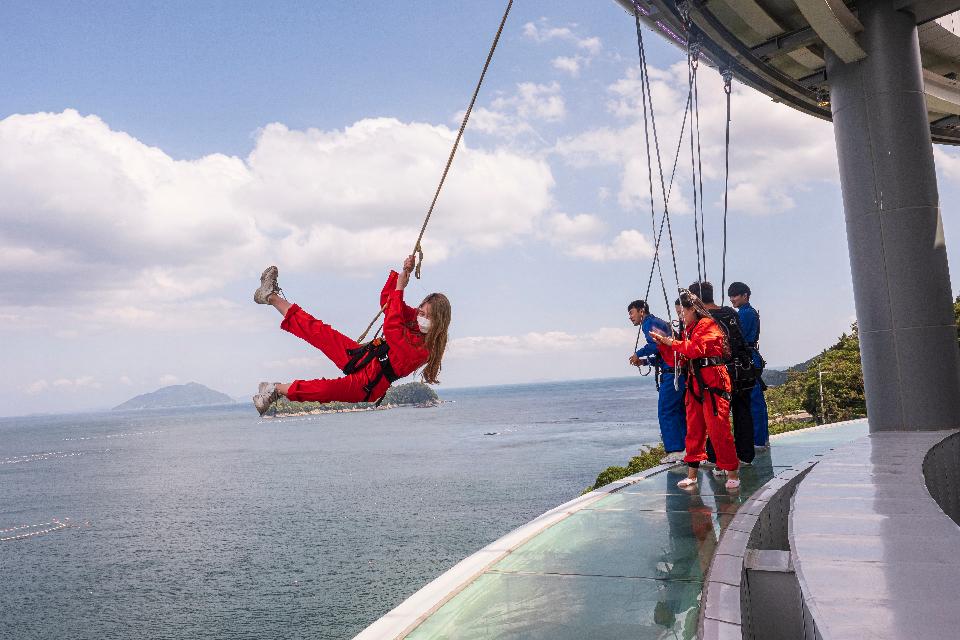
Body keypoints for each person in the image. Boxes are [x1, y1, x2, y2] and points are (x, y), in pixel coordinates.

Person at [251, 255, 451, 415]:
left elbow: (392, 329)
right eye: (421, 312)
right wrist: (403, 273)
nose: (421, 317)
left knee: (324, 390)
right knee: (319, 331)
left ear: (439, 323)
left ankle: (274, 390)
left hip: (368, 384)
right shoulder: (415, 321)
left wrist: (400, 288)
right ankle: (269, 296)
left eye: (427, 316)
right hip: (363, 356)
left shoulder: (424, 350)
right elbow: (387, 305)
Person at [649, 291, 740, 490]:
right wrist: (663, 345)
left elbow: (695, 349)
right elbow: (679, 357)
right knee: (694, 430)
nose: (681, 318)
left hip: (713, 381)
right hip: (695, 382)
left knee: (718, 428)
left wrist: (670, 342)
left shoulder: (708, 325)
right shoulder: (689, 331)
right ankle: (692, 475)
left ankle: (732, 471)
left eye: (682, 313)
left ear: (693, 309)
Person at [688, 281, 755, 466]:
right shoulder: (730, 313)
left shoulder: (703, 320)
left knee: (716, 418)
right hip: (741, 371)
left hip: (717, 374)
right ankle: (746, 456)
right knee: (743, 413)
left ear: (695, 299)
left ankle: (716, 458)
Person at [628, 300, 687, 464]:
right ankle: (686, 449)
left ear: (641, 311)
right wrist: (645, 362)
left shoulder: (649, 323)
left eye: (632, 313)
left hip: (671, 374)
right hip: (678, 371)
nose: (630, 317)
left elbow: (655, 344)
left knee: (666, 411)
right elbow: (663, 352)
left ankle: (675, 450)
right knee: (678, 412)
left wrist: (637, 354)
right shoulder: (660, 322)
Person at [728, 281, 770, 448]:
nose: (732, 299)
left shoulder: (745, 314)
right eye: (731, 296)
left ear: (745, 295)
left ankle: (758, 441)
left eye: (735, 295)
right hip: (751, 356)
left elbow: (737, 338)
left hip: (746, 358)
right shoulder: (748, 312)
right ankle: (760, 439)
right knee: (755, 399)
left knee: (753, 400)